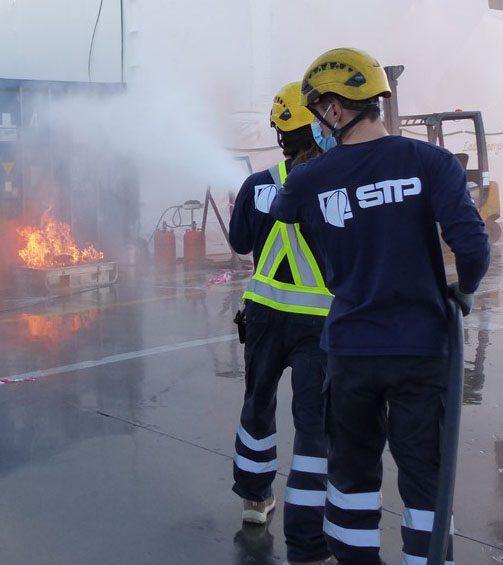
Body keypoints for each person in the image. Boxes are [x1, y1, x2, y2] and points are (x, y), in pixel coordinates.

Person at [270, 48, 490, 564]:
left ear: (335, 109)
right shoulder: (430, 162)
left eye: (316, 111)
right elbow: (474, 247)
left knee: (351, 478)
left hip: (350, 351)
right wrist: (462, 292)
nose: (316, 124)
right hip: (422, 348)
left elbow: (285, 214)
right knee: (425, 479)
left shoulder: (310, 179)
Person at [229, 82, 334, 565]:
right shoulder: (335, 181)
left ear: (278, 131)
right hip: (319, 324)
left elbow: (238, 243)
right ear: (315, 122)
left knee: (258, 404)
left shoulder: (257, 185)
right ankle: (310, 515)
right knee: (314, 422)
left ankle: (255, 501)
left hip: (264, 317)